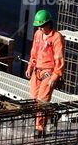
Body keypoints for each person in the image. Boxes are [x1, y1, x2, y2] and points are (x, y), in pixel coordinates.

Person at [26, 9, 65, 137]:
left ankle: (40, 129)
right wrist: (30, 66)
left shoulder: (56, 37)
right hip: (37, 70)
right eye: (38, 26)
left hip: (49, 72)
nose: (40, 28)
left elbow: (59, 58)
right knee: (34, 100)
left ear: (48, 24)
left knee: (42, 100)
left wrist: (56, 75)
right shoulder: (38, 34)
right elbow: (34, 52)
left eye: (42, 26)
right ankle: (52, 114)